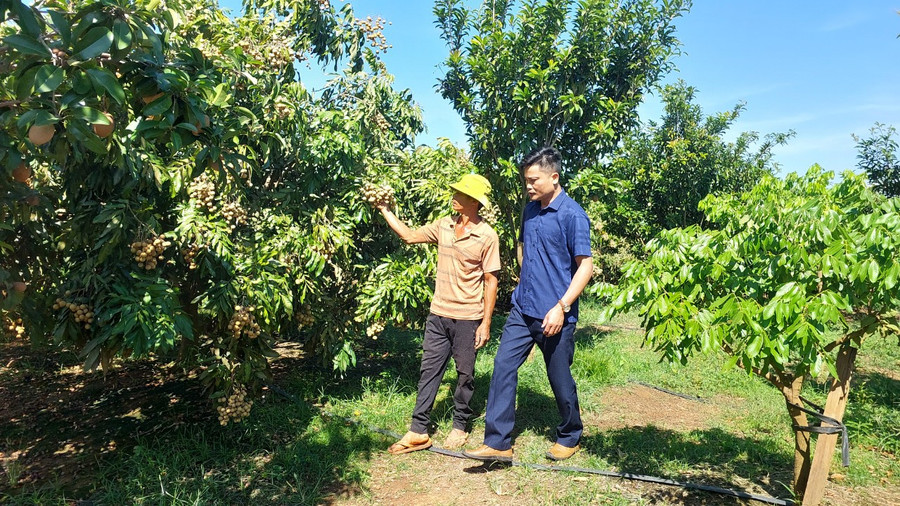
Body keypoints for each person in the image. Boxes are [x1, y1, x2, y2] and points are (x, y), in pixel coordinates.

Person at [463, 147, 593, 462]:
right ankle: (498, 442)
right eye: (526, 181)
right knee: (503, 365)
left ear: (554, 177)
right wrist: (525, 276)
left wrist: (561, 306)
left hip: (555, 313)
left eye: (533, 180)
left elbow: (586, 265)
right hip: (523, 308)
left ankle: (570, 433)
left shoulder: (572, 215)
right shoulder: (530, 210)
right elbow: (524, 247)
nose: (529, 186)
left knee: (559, 377)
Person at [375, 174, 501, 454]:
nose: (454, 196)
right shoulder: (443, 225)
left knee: (465, 374)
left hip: (468, 317)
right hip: (438, 314)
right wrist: (385, 210)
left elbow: (491, 281)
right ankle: (418, 430)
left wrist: (486, 323)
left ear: (474, 202)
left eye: (461, 193)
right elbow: (409, 236)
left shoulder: (487, 236)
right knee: (429, 371)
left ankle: (460, 425)